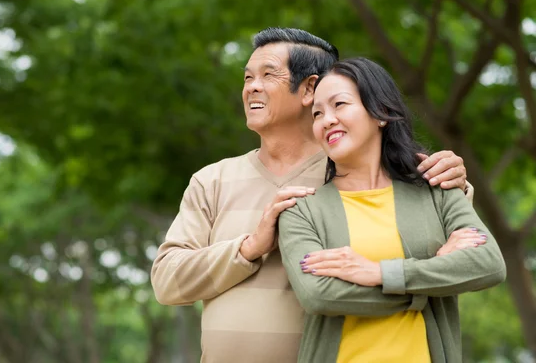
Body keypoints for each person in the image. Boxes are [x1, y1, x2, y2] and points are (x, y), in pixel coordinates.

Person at [151, 28, 475, 363]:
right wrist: (248, 248)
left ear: (310, 88)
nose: (251, 87)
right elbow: (166, 282)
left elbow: (450, 250)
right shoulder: (212, 181)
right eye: (247, 77)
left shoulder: (358, 173)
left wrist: (456, 185)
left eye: (267, 75)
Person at [278, 57, 506, 363]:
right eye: (317, 113)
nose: (326, 120)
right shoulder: (301, 209)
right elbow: (318, 295)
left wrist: (378, 272)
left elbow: (489, 264)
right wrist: (431, 281)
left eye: (339, 104)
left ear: (380, 113)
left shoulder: (435, 189)